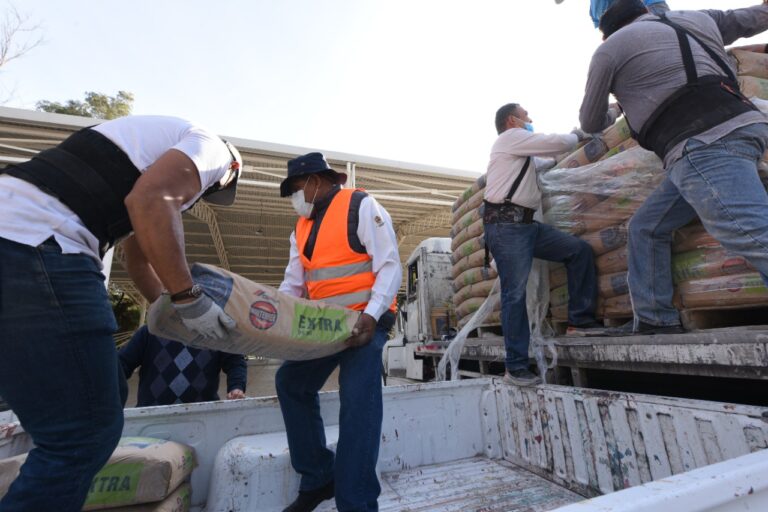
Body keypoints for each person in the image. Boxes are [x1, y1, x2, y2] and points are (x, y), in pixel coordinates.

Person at [0, 115, 242, 511]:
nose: (196, 197)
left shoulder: (140, 148)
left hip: (16, 236)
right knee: (84, 436)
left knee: (108, 389)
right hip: (42, 243)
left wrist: (172, 317)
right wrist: (190, 298)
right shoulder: (213, 148)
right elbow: (152, 201)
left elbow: (137, 255)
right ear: (229, 172)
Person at [579, 0, 768, 335]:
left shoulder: (609, 51)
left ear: (604, 31)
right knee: (647, 226)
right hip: (743, 127)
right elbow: (752, 18)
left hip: (701, 142)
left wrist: (619, 100)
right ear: (646, 10)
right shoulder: (696, 18)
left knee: (753, 233)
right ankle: (655, 318)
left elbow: (590, 120)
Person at [275, 152, 401, 512]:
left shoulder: (360, 205)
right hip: (327, 326)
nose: (295, 200)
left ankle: (356, 502)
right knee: (291, 383)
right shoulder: (300, 230)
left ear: (317, 181)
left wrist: (372, 315)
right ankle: (318, 477)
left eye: (296, 189)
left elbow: (390, 265)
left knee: (358, 401)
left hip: (366, 324)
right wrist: (275, 321)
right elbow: (293, 285)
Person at [484, 104, 610, 387]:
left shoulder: (521, 156)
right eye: (526, 115)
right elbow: (554, 143)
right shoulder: (508, 139)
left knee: (578, 251)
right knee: (514, 294)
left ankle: (579, 320)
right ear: (512, 120)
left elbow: (549, 158)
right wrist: (582, 133)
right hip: (507, 227)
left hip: (527, 227)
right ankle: (515, 367)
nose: (530, 120)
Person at [119, 325, 247, 407]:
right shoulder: (150, 331)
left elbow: (235, 362)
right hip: (151, 414)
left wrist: (236, 387)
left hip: (202, 414)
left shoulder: (218, 335)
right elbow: (121, 365)